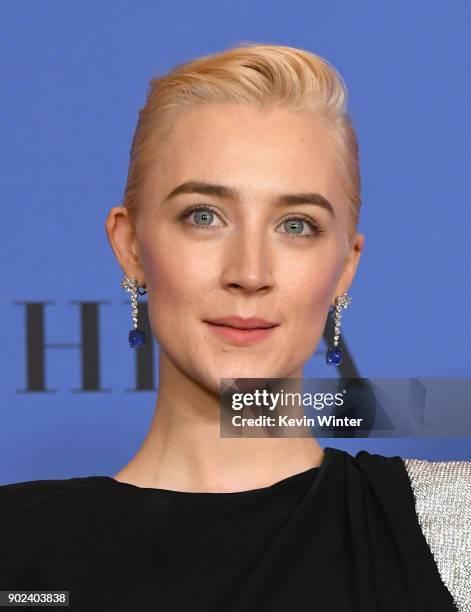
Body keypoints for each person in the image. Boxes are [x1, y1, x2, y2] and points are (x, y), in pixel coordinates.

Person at [1, 43, 469, 612]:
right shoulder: (17, 548)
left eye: (296, 225)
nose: (249, 273)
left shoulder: (455, 527)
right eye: (204, 216)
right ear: (131, 247)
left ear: (345, 266)